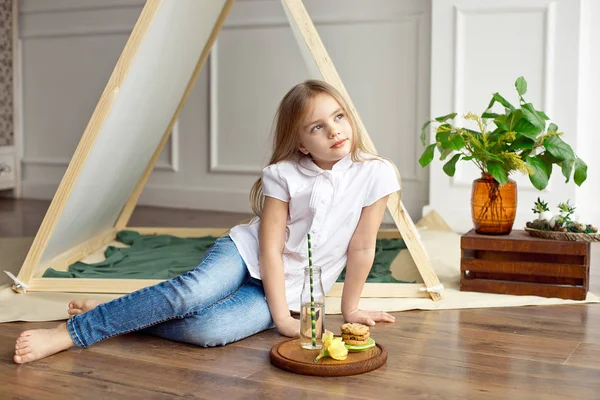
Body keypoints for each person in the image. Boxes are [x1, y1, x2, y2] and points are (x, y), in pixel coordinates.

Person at [13, 79, 400, 364]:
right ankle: (70, 333)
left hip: (290, 287)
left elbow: (362, 247)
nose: (334, 129)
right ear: (301, 143)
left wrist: (350, 310)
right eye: (317, 126)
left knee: (208, 331)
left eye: (338, 117)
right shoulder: (284, 174)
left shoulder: (376, 173)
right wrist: (281, 317)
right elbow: (267, 247)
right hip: (245, 256)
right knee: (190, 295)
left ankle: (116, 309)